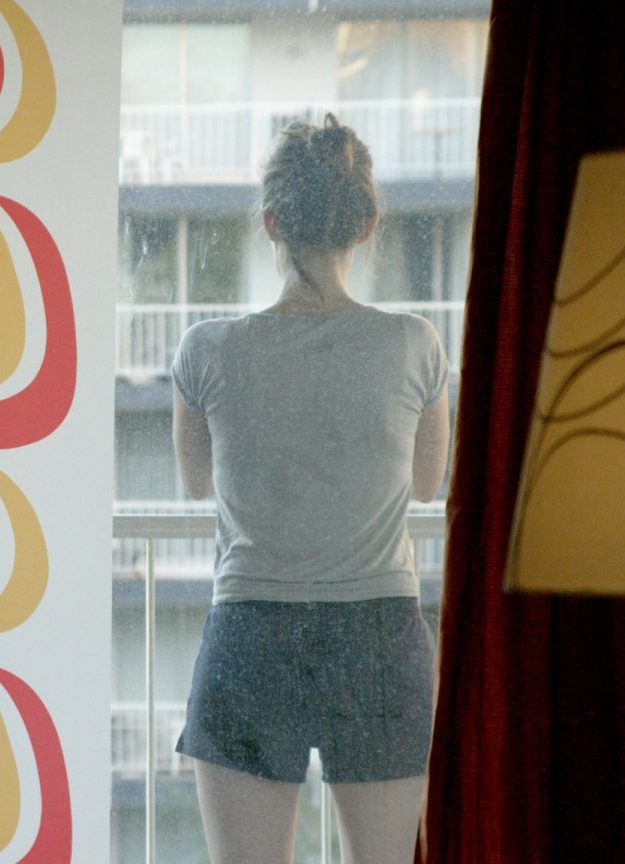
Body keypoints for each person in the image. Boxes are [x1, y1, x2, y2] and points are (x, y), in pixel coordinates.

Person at [170, 114, 451, 864]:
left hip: (251, 634)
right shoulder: (415, 344)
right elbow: (429, 486)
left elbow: (195, 483)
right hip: (378, 635)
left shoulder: (206, 349)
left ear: (270, 221)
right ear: (365, 225)